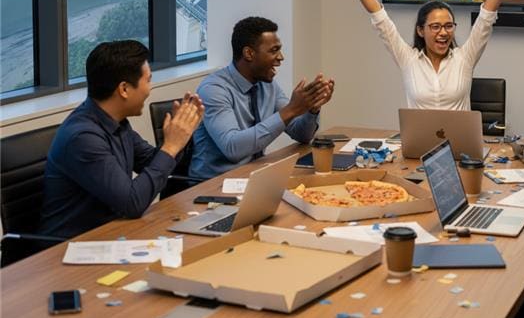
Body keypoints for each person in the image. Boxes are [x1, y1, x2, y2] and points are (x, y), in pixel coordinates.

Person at [39, 41, 204, 239]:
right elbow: (132, 203)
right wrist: (170, 146)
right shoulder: (82, 138)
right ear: (124, 89)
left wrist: (180, 136)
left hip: (113, 233)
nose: (150, 89)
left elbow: (152, 162)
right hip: (72, 246)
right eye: (148, 80)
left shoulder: (116, 122)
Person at [341, 0, 516, 109]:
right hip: (419, 136)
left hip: (460, 136)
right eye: (435, 27)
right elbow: (381, 19)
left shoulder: (464, 58)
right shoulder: (408, 60)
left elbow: (486, 18)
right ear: (420, 30)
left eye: (449, 26)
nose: (443, 32)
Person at [189, 17, 334, 180]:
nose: (281, 57)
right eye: (274, 50)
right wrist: (291, 109)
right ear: (249, 53)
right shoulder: (214, 89)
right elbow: (233, 147)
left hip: (253, 175)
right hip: (213, 183)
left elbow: (301, 135)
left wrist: (311, 108)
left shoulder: (266, 85)